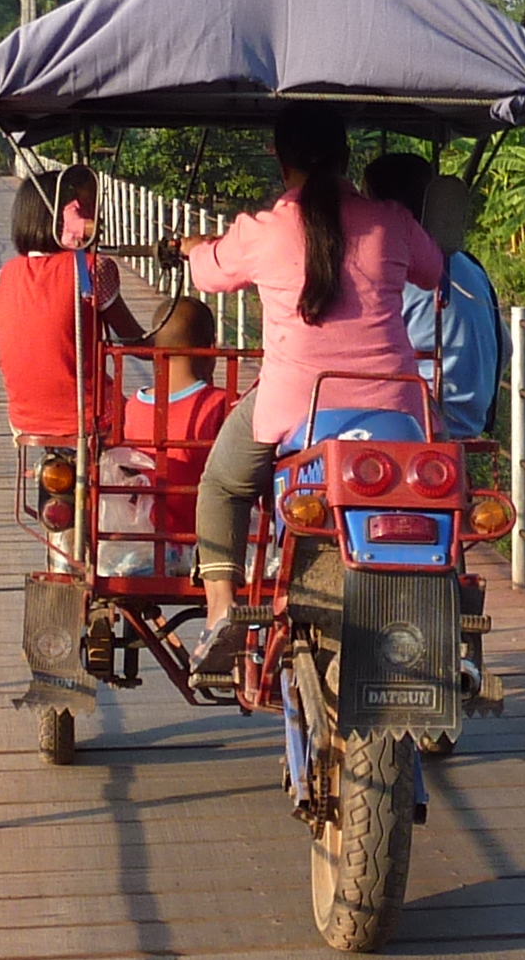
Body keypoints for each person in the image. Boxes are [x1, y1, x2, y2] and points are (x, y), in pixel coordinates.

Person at [172, 113, 445, 686]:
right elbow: (433, 268)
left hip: (295, 410)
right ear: (347, 156)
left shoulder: (263, 229)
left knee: (222, 484)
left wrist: (197, 247)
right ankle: (450, 620)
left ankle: (223, 609)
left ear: (279, 157)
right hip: (397, 411)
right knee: (445, 498)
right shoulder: (390, 221)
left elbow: (206, 274)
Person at [0, 164, 133, 563]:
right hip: (88, 418)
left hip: (26, 420)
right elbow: (136, 342)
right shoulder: (92, 269)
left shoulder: (6, 275)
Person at [362, 149, 502, 443]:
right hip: (470, 421)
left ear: (382, 209)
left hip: (414, 422)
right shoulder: (470, 266)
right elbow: (507, 349)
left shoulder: (391, 268)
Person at [102, 297, 232, 577]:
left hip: (151, 541)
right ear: (211, 349)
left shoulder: (134, 406)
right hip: (209, 543)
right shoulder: (221, 403)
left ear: (155, 350)